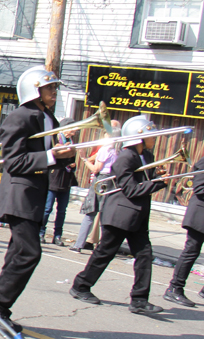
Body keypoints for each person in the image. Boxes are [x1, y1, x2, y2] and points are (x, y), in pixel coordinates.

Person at [0, 66, 75, 334]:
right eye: (49, 88)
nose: (54, 92)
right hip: (18, 195)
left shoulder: (47, 117)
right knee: (29, 253)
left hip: (33, 195)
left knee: (18, 254)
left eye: (54, 87)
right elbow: (13, 161)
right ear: (35, 89)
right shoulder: (19, 117)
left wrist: (67, 153)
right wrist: (53, 157)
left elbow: (51, 157)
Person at [69, 115, 167, 315]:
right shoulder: (125, 157)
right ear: (138, 137)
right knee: (105, 252)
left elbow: (144, 180)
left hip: (137, 215)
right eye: (151, 134)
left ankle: (139, 300)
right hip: (120, 214)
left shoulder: (146, 156)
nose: (154, 138)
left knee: (145, 255)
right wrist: (158, 183)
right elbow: (131, 189)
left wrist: (157, 176)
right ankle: (80, 285)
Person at [70, 120, 122, 254]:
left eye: (105, 134)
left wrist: (84, 159)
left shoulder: (106, 149)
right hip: (112, 181)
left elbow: (96, 169)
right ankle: (105, 247)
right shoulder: (119, 151)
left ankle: (78, 244)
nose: (103, 136)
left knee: (90, 213)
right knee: (106, 215)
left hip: (102, 180)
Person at [164, 156, 204, 307]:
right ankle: (174, 288)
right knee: (191, 251)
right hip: (200, 215)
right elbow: (200, 188)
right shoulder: (203, 162)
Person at [39, 119, 78, 246]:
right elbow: (49, 158)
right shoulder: (55, 140)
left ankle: (57, 236)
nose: (74, 131)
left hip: (66, 180)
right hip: (54, 178)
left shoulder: (71, 143)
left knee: (62, 211)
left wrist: (73, 165)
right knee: (47, 208)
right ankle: (40, 232)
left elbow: (73, 161)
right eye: (72, 128)